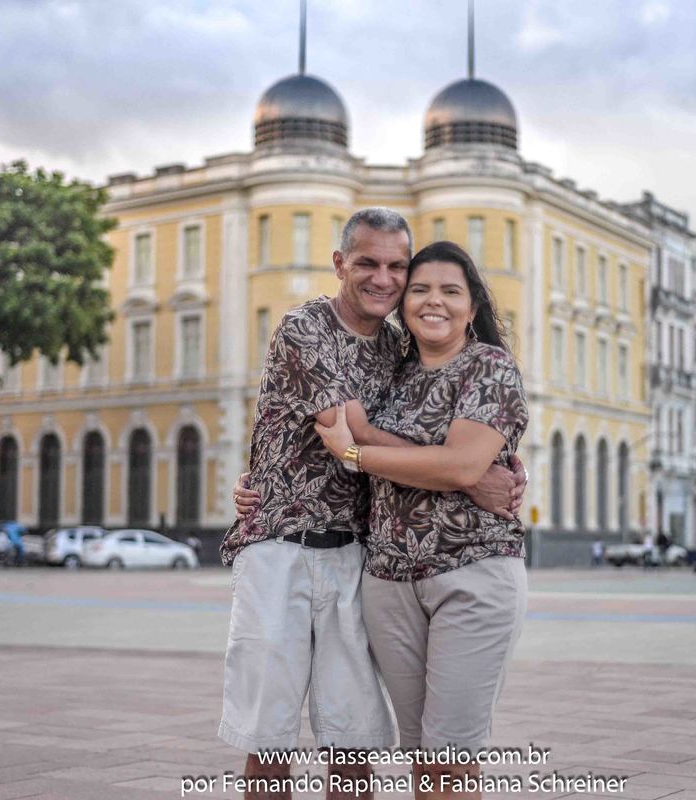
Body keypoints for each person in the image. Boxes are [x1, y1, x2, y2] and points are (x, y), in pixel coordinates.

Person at [220, 210, 525, 800]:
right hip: (281, 545)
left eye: (396, 266)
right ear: (340, 264)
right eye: (367, 263)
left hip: (359, 554)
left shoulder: (399, 346)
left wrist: (490, 466)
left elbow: (428, 431)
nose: (382, 278)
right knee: (272, 739)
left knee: (354, 740)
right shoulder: (306, 326)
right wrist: (469, 475)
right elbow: (350, 432)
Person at [313, 240, 528, 799]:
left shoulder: (489, 367)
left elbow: (457, 463)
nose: (435, 301)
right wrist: (253, 485)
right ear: (404, 304)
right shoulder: (390, 372)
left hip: (471, 574)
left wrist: (359, 456)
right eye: (422, 290)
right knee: (423, 757)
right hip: (387, 583)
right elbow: (356, 431)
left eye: (451, 291)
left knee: (449, 757)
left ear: (472, 306)